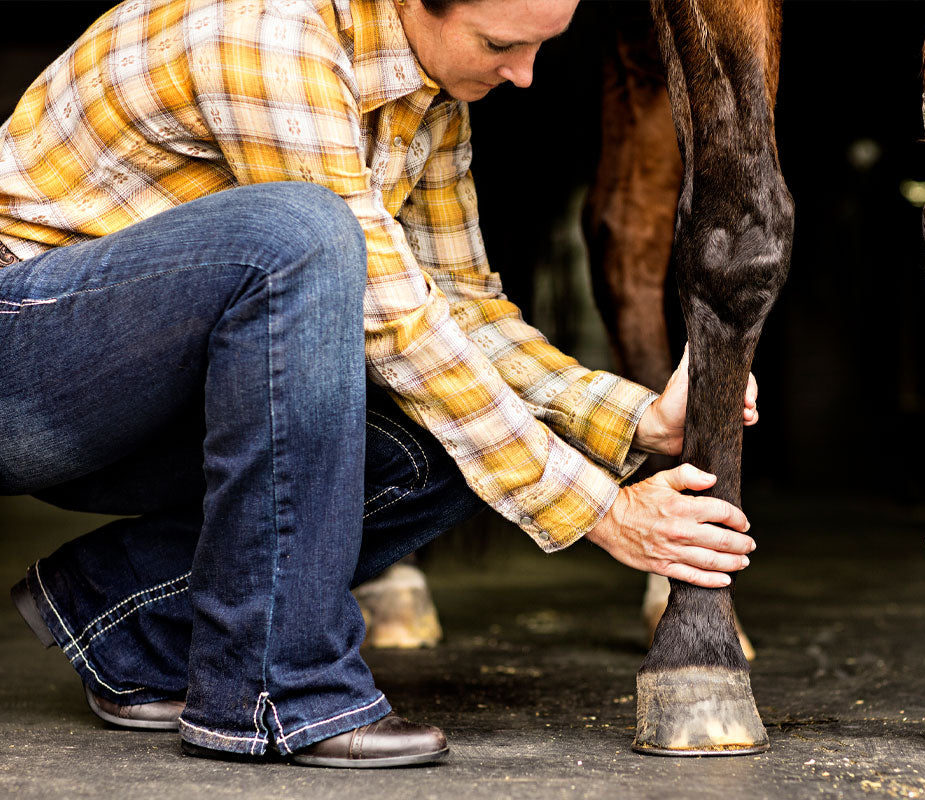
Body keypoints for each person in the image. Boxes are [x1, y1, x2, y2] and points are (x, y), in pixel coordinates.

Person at [0, 0, 758, 768]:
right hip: (25, 364)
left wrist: (635, 421)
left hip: (148, 391)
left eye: (539, 49)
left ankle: (128, 618)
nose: (524, 78)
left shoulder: (429, 91)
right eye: (500, 44)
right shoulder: (267, 31)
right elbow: (391, 320)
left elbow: (464, 310)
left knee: (460, 428)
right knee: (301, 233)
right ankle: (274, 688)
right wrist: (607, 512)